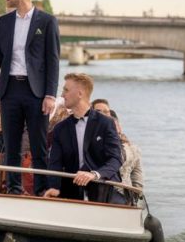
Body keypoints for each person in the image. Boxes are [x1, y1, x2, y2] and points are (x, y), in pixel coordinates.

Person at [0, 0, 60, 195]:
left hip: (36, 93)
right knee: (11, 146)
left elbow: (52, 60)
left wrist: (50, 95)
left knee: (39, 146)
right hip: (9, 90)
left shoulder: (47, 21)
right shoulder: (4, 22)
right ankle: (14, 190)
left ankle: (42, 190)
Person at [44, 73, 125, 204]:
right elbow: (54, 164)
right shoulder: (60, 129)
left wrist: (94, 174)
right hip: (71, 188)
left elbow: (115, 159)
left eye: (66, 90)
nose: (62, 95)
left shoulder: (106, 123)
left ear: (80, 94)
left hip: (102, 187)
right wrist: (54, 188)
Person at [111, 111, 144, 205]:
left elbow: (137, 173)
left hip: (125, 194)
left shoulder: (132, 148)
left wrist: (136, 191)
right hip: (104, 192)